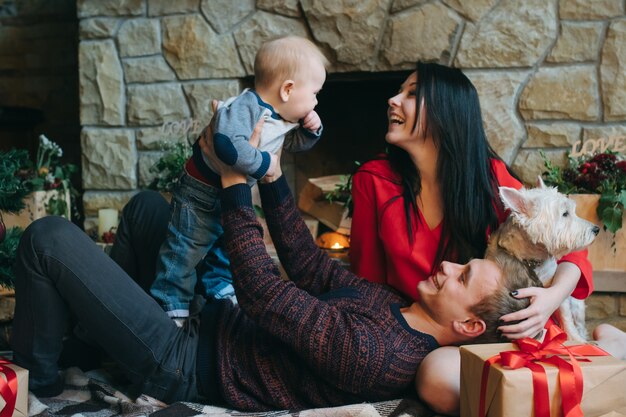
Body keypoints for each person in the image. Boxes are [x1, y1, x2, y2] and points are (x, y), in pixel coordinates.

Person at [11, 119, 537, 411]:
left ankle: (44, 379)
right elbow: (308, 265)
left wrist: (234, 182)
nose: (447, 265)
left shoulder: (381, 354)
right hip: (209, 318)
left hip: (185, 362)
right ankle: (88, 335)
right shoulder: (393, 304)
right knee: (150, 210)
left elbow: (265, 293)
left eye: (462, 276)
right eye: (461, 262)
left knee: (46, 237)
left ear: (468, 325)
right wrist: (272, 174)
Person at [348, 62, 594, 414]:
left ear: (448, 111)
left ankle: (598, 358)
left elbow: (567, 248)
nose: (392, 99)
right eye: (399, 91)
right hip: (425, 335)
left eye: (411, 93)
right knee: (436, 377)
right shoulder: (373, 180)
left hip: (492, 330)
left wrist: (551, 299)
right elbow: (366, 280)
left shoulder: (489, 176)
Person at [151, 35, 328, 322]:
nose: (316, 101)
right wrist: (264, 164)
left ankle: (218, 287)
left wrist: (309, 132)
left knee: (224, 244)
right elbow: (226, 144)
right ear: (287, 89)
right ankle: (170, 304)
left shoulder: (279, 118)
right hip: (199, 195)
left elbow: (291, 145)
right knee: (185, 248)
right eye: (314, 93)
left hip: (224, 194)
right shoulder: (246, 107)